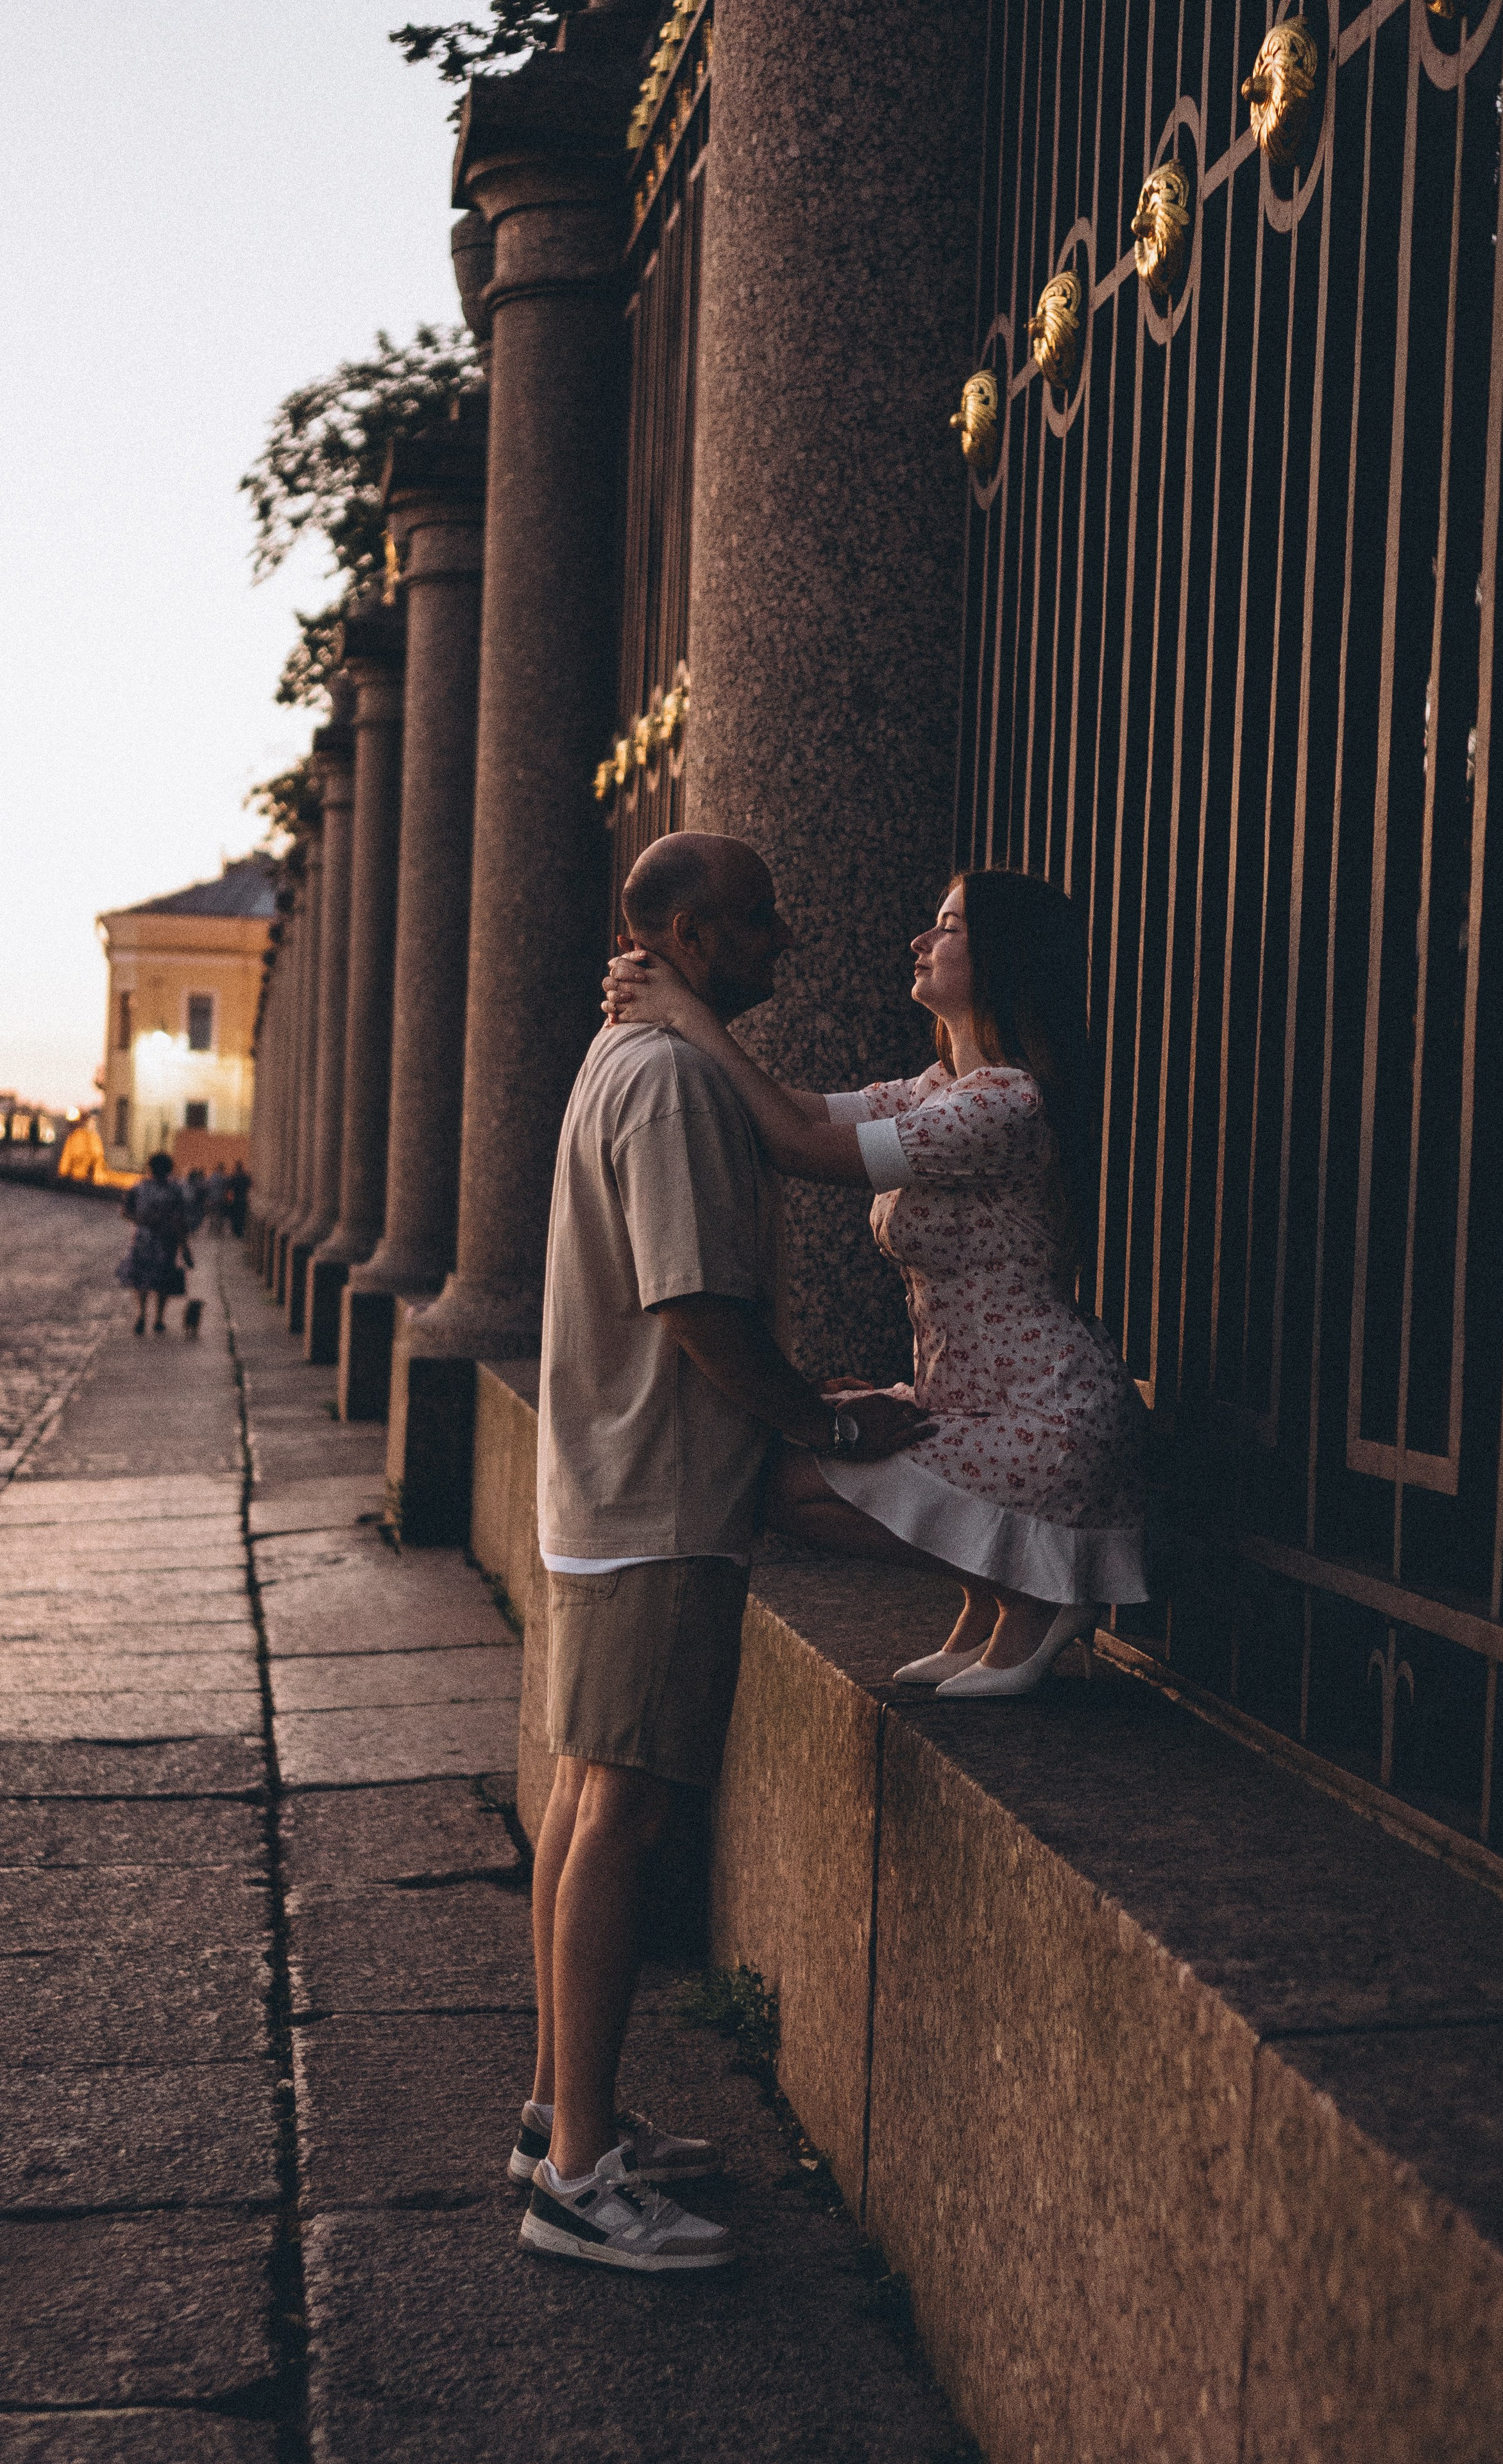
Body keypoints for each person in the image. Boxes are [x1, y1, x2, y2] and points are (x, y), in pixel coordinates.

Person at [513, 832, 930, 2275]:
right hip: (661, 1494)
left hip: (602, 1486)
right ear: (687, 934)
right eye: (754, 922)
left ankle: (564, 2115)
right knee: (618, 1819)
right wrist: (821, 1417)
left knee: (581, 1803)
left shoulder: (618, 1054)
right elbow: (695, 1302)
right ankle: (576, 2181)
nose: (783, 942)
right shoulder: (679, 1077)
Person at [604, 866, 1149, 1698]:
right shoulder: (938, 1091)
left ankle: (1036, 1592)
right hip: (972, 1399)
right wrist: (674, 1006)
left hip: (1048, 1415)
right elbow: (795, 1108)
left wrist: (685, 1015)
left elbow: (797, 1146)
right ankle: (991, 1594)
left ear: (1004, 957)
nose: (921, 940)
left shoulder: (1008, 1106)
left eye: (950, 926)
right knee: (793, 1454)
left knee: (789, 1486)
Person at [116, 1152, 194, 1335]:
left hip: (144, 1238)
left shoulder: (139, 1188)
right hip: (167, 1239)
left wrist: (141, 1220)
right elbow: (180, 1220)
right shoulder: (175, 1190)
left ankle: (142, 1315)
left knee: (141, 1277)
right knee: (163, 1279)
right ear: (169, 1169)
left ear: (150, 1168)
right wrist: (185, 1247)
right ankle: (159, 1319)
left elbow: (125, 1211)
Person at [227, 1161, 250, 1240]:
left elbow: (229, 1186)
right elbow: (249, 1185)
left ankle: (236, 1231)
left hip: (235, 1199)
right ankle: (240, 1231)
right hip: (243, 1199)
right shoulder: (245, 1177)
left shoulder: (234, 1177)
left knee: (235, 1216)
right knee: (241, 1216)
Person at [203, 1163, 228, 1237]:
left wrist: (207, 1199)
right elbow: (226, 1188)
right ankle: (219, 1231)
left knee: (212, 1215)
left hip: (212, 1199)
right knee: (220, 1215)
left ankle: (212, 1230)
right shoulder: (224, 1178)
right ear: (222, 1169)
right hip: (220, 1199)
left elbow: (207, 1188)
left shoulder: (212, 1177)